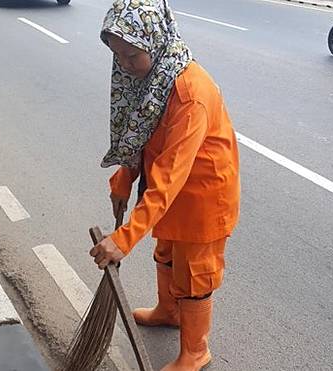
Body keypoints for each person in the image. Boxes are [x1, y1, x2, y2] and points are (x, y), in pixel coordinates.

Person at [89, 1, 240, 370]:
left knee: (193, 274)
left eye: (131, 55)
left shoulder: (190, 95)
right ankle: (167, 312)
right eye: (117, 55)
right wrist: (124, 177)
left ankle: (195, 350)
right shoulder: (152, 81)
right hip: (169, 192)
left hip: (203, 196)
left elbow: (172, 176)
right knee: (167, 255)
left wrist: (123, 239)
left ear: (155, 42)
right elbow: (142, 138)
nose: (124, 64)